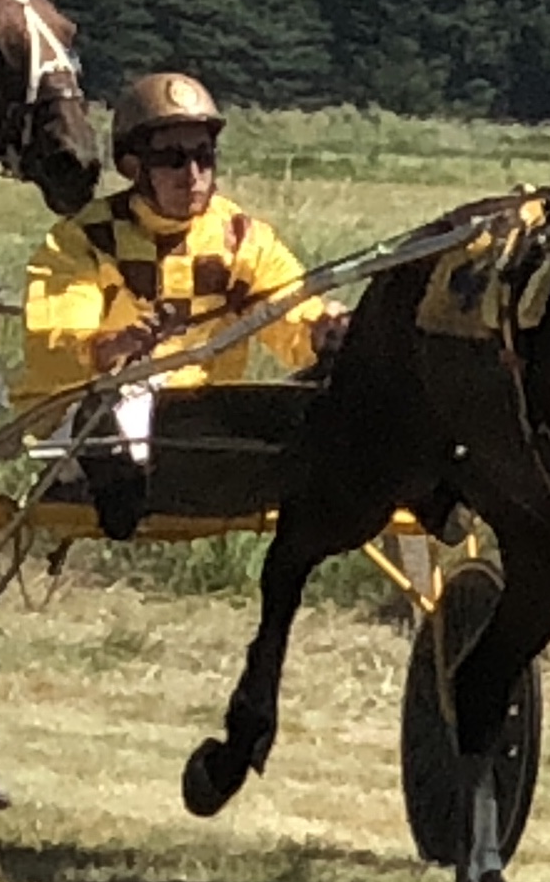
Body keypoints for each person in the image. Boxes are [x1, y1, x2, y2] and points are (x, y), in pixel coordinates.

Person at [18, 71, 344, 539]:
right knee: (119, 407)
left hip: (203, 426)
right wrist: (108, 347)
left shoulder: (241, 239)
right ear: (132, 166)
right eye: (172, 159)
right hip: (87, 417)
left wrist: (322, 330)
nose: (192, 175)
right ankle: (114, 467)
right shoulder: (84, 239)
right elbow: (55, 339)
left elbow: (288, 307)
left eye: (203, 157)